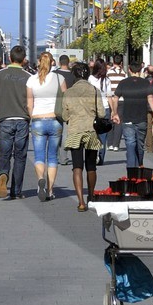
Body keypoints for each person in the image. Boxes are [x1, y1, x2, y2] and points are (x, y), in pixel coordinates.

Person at [56, 61, 107, 210]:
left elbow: (65, 116)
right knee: (91, 166)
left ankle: (80, 202)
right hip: (91, 131)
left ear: (74, 75)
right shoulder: (94, 90)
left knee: (77, 167)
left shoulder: (69, 92)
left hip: (75, 131)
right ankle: (91, 195)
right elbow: (102, 113)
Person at [0, 46, 30, 199]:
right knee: (20, 156)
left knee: (3, 153)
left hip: (4, 120)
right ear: (23, 60)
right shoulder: (29, 77)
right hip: (22, 120)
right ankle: (16, 191)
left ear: (10, 58)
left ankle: (3, 174)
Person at [26, 50, 61, 201]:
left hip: (38, 120)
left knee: (39, 155)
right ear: (53, 62)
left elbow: (29, 104)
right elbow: (64, 99)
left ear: (39, 62)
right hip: (55, 120)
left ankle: (41, 180)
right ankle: (50, 190)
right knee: (52, 157)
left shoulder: (32, 80)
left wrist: (32, 116)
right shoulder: (59, 78)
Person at [113, 60, 151, 168]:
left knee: (130, 144)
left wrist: (115, 113)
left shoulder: (123, 83)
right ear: (140, 70)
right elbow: (150, 98)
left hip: (127, 118)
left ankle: (131, 171)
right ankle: (139, 164)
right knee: (140, 145)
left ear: (129, 70)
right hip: (142, 118)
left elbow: (115, 98)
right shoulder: (145, 83)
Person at [88, 58, 111, 166]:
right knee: (103, 135)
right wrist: (114, 111)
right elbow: (109, 96)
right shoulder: (106, 80)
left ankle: (92, 156)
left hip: (93, 109)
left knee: (92, 134)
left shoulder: (90, 79)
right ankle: (101, 158)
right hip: (105, 108)